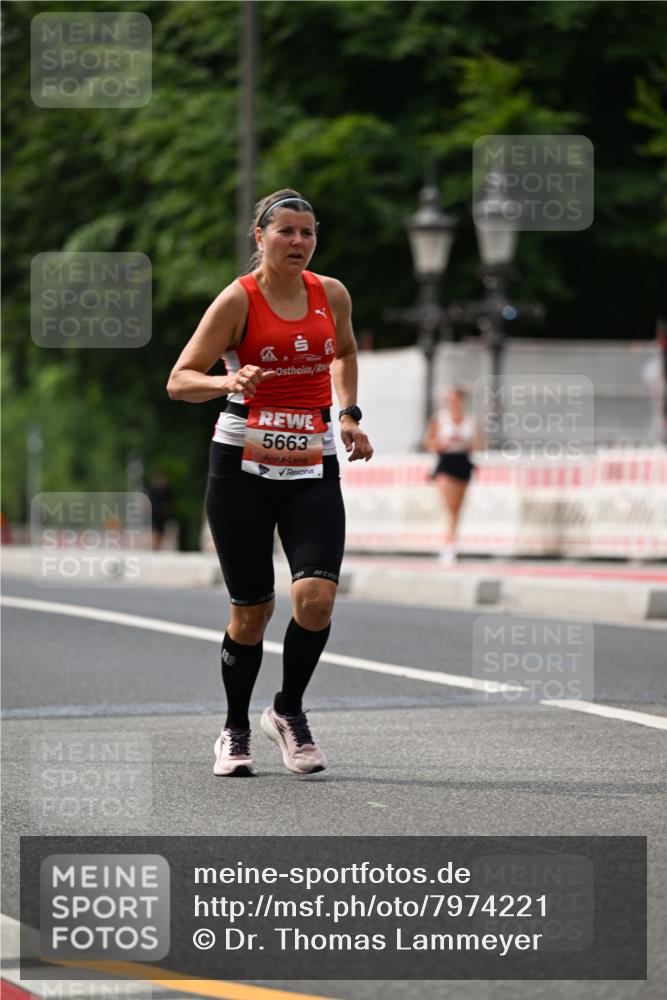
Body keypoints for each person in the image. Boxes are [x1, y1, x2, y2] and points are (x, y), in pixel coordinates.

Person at [167, 188, 373, 777]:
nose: (299, 243)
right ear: (259, 237)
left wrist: (350, 416)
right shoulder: (239, 300)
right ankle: (234, 728)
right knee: (251, 614)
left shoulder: (330, 294)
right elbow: (180, 380)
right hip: (241, 469)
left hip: (312, 463)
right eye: (286, 231)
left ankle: (287, 711)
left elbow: (346, 353)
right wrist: (226, 383)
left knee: (316, 597)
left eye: (308, 233)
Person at [424, 386, 481, 563]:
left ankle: (451, 543)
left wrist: (463, 442)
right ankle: (448, 545)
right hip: (446, 462)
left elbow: (478, 444)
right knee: (450, 507)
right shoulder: (440, 418)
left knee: (457, 508)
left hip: (463, 461)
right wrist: (443, 443)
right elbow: (429, 443)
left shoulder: (471, 420)